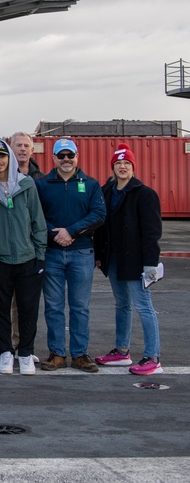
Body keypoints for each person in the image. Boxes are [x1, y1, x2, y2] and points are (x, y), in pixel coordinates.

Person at [35, 138, 105, 373]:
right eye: (61, 155)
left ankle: (80, 354)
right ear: (53, 158)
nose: (66, 159)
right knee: (53, 306)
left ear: (77, 156)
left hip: (81, 253)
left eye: (70, 155)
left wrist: (71, 231)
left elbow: (98, 214)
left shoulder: (91, 184)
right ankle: (56, 353)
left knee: (80, 307)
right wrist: (55, 234)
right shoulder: (42, 184)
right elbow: (34, 215)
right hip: (53, 254)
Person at [0, 140, 47, 375]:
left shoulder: (26, 185)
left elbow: (38, 221)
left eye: (2, 156)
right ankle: (5, 352)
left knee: (28, 308)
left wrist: (39, 255)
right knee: (0, 308)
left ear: (10, 158)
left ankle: (25, 352)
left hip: (27, 258)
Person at [93, 144, 164, 375]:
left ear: (133, 166)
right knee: (121, 304)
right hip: (114, 260)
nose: (122, 167)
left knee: (144, 306)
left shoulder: (144, 194)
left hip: (136, 262)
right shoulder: (107, 191)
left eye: (126, 163)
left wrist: (150, 264)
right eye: (118, 163)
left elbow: (152, 231)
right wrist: (99, 255)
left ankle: (153, 356)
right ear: (112, 167)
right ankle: (122, 352)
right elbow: (102, 227)